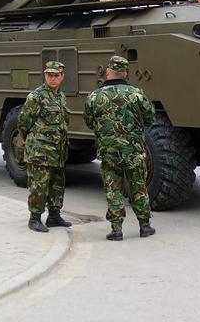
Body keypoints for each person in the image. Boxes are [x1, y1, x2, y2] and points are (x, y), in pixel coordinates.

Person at [83, 56, 156, 241]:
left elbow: (89, 121)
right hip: (134, 152)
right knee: (138, 188)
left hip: (109, 153)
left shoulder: (95, 96)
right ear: (126, 73)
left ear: (108, 72)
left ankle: (116, 230)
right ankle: (145, 226)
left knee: (113, 190)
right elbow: (150, 118)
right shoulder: (137, 94)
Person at [18, 61, 72, 232]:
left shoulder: (61, 97)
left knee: (57, 184)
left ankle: (54, 216)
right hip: (40, 151)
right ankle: (34, 218)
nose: (52, 78)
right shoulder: (36, 97)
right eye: (49, 75)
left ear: (62, 77)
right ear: (45, 75)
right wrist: (32, 140)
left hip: (58, 151)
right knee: (39, 185)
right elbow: (23, 122)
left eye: (56, 75)